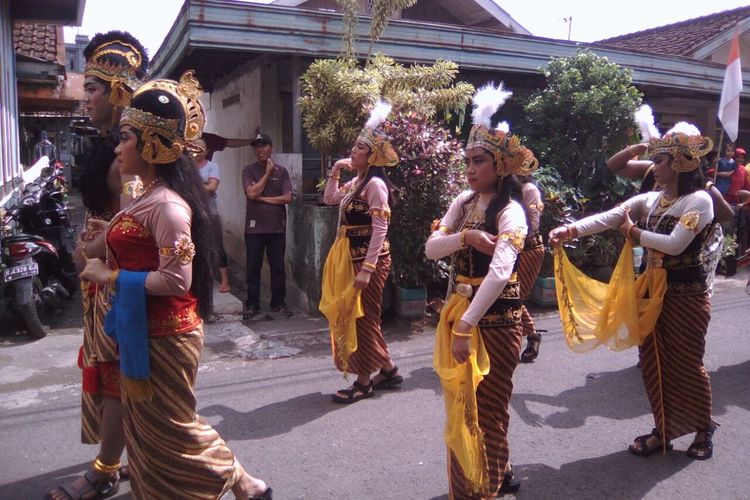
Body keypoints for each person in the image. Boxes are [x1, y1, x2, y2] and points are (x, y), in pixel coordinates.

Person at [79, 71, 272, 499]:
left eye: (126, 138)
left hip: (166, 334)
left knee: (173, 427)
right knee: (146, 433)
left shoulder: (168, 206)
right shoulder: (142, 195)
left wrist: (108, 275)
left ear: (151, 145)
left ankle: (242, 481)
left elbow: (176, 278)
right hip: (139, 328)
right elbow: (134, 241)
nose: (117, 147)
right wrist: (107, 233)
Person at [550, 121, 717, 461]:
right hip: (650, 293)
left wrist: (635, 233)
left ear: (679, 164)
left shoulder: (699, 200)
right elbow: (611, 217)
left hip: (686, 296)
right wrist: (570, 230)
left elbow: (674, 245)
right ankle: (664, 429)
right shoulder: (655, 199)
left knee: (686, 363)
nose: (653, 166)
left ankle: (703, 427)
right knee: (652, 362)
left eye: (660, 160)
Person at [49, 30, 148, 500]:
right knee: (111, 374)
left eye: (92, 88)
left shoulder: (129, 152)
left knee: (114, 377)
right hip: (100, 277)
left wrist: (93, 247)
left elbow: (136, 220)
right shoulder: (111, 141)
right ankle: (120, 456)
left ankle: (105, 469)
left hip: (115, 279)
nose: (84, 96)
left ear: (119, 90)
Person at [425, 83, 537, 498]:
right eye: (468, 161)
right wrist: (467, 239)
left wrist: (465, 326)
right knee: (462, 406)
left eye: (480, 161)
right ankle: (492, 473)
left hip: (494, 323)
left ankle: (485, 484)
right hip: (463, 315)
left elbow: (501, 271)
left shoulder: (512, 212)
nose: (471, 169)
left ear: (501, 166)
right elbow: (431, 247)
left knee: (488, 411)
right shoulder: (464, 202)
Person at [320, 100, 404, 404]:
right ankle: (389, 370)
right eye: (354, 147)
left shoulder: (376, 186)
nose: (352, 151)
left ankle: (364, 381)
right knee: (363, 317)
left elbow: (381, 229)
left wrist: (368, 269)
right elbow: (330, 199)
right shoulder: (357, 182)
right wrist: (336, 171)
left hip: (369, 260)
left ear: (371, 157)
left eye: (358, 148)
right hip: (349, 258)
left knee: (364, 319)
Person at [242, 133, 293, 318]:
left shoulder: (282, 171)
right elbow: (251, 193)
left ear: (271, 148)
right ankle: (252, 305)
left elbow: (288, 198)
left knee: (278, 268)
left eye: (264, 146)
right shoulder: (248, 171)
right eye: (257, 147)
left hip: (276, 227)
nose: (260, 150)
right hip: (254, 229)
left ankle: (278, 303)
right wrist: (267, 174)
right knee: (253, 268)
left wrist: (263, 198)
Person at [193, 137, 231, 293]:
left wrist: (194, 184)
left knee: (217, 245)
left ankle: (225, 281)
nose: (198, 151)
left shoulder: (212, 166)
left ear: (207, 151)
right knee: (194, 246)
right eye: (195, 147)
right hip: (191, 213)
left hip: (210, 213)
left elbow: (212, 187)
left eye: (201, 148)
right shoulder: (187, 167)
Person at [516, 175, 546, 363]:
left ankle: (532, 335)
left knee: (514, 297)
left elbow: (532, 225)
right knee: (503, 296)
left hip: (528, 249)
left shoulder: (529, 190)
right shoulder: (498, 188)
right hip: (506, 248)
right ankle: (531, 334)